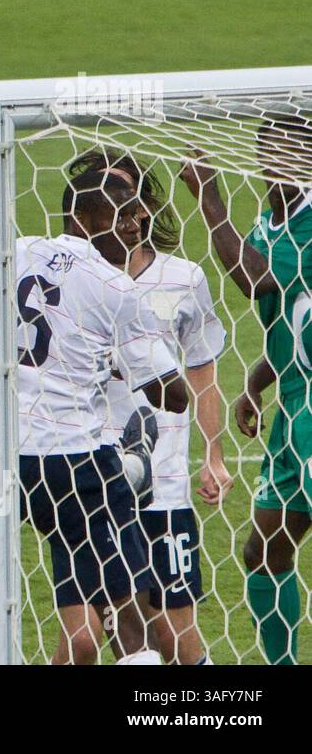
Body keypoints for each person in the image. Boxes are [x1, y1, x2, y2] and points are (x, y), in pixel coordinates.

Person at [0, 170, 190, 664]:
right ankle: (131, 467)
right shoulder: (116, 287)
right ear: (82, 218)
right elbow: (173, 397)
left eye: (137, 214)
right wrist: (116, 358)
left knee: (82, 640)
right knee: (129, 614)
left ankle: (126, 470)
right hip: (72, 466)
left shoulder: (14, 254)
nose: (136, 225)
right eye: (124, 214)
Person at [68, 150, 228, 664]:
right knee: (88, 636)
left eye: (129, 198)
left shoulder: (183, 278)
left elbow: (202, 369)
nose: (123, 210)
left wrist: (214, 454)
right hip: (91, 477)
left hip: (164, 483)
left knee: (174, 635)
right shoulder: (69, 277)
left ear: (142, 207)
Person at [179, 110, 312, 664]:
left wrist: (208, 196)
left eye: (291, 151)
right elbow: (293, 313)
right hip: (293, 411)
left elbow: (257, 278)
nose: (276, 161)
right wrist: (256, 382)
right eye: (270, 149)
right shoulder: (269, 221)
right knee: (263, 552)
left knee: (269, 547)